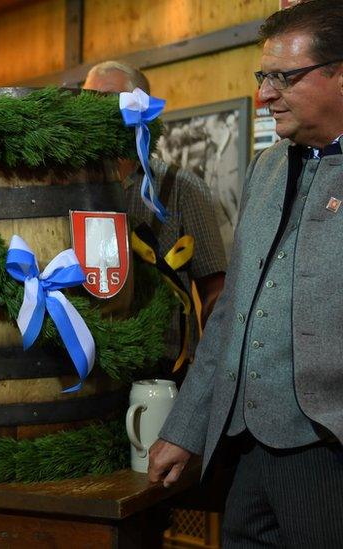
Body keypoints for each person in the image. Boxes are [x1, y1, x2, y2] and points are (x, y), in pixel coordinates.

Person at [148, 1, 343, 546]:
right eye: (264, 77)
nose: (265, 95)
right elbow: (234, 314)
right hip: (243, 452)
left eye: (284, 77)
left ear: (340, 75)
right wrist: (186, 429)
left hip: (328, 455)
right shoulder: (267, 166)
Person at [83, 61, 227, 368]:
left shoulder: (183, 189)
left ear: (140, 109)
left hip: (165, 369)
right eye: (87, 100)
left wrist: (210, 370)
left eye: (109, 99)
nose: (94, 110)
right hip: (95, 368)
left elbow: (216, 292)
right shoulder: (74, 188)